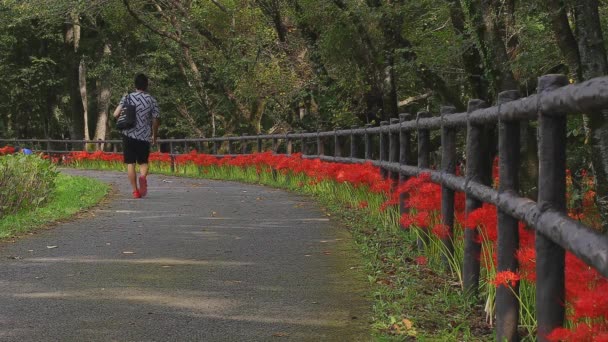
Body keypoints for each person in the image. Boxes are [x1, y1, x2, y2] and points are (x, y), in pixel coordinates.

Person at [113, 73, 160, 199]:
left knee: (130, 163)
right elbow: (156, 120)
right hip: (144, 136)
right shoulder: (152, 100)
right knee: (143, 162)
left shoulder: (127, 97)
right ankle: (143, 177)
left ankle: (135, 191)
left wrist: (124, 117)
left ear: (135, 85)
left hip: (128, 134)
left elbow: (115, 114)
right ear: (146, 85)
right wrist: (154, 136)